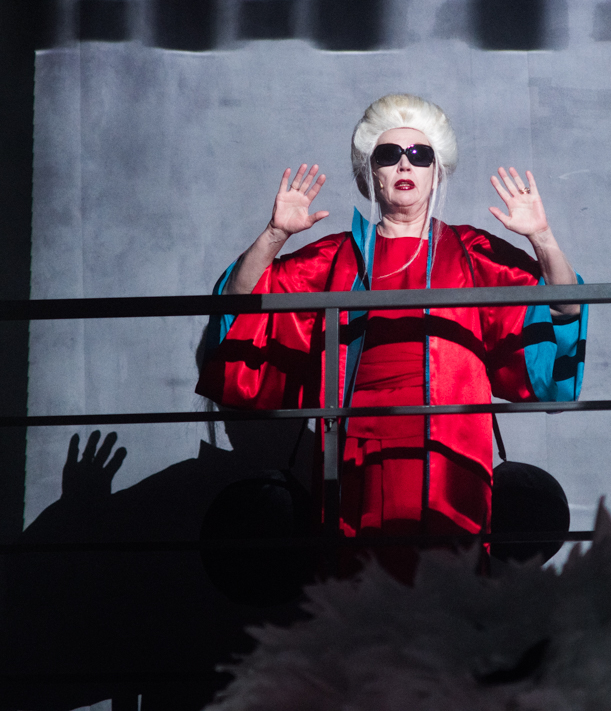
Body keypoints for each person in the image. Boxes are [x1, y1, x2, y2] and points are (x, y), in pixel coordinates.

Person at [195, 94, 587, 578]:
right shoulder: (336, 257)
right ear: (371, 172)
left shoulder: (471, 250)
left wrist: (542, 237)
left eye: (420, 155)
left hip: (453, 442)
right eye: (389, 154)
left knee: (452, 574)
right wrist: (275, 234)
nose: (405, 163)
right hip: (355, 437)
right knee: (359, 574)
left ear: (435, 172)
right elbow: (241, 303)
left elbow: (563, 306)